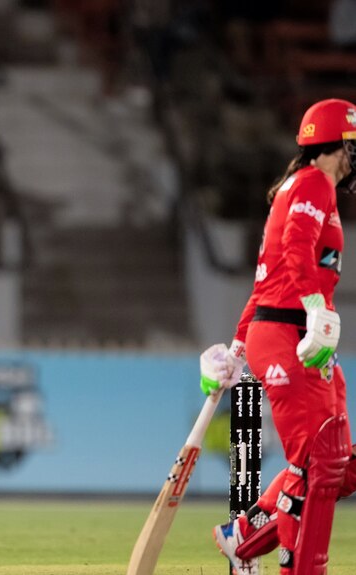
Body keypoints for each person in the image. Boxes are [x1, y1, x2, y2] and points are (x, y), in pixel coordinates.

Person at [199, 99, 356, 575]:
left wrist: (238, 347)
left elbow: (264, 279)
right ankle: (300, 568)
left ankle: (243, 536)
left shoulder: (300, 186)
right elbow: (293, 250)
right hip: (293, 332)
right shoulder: (312, 183)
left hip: (291, 329)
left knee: (339, 465)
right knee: (316, 465)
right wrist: (314, 309)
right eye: (353, 146)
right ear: (335, 144)